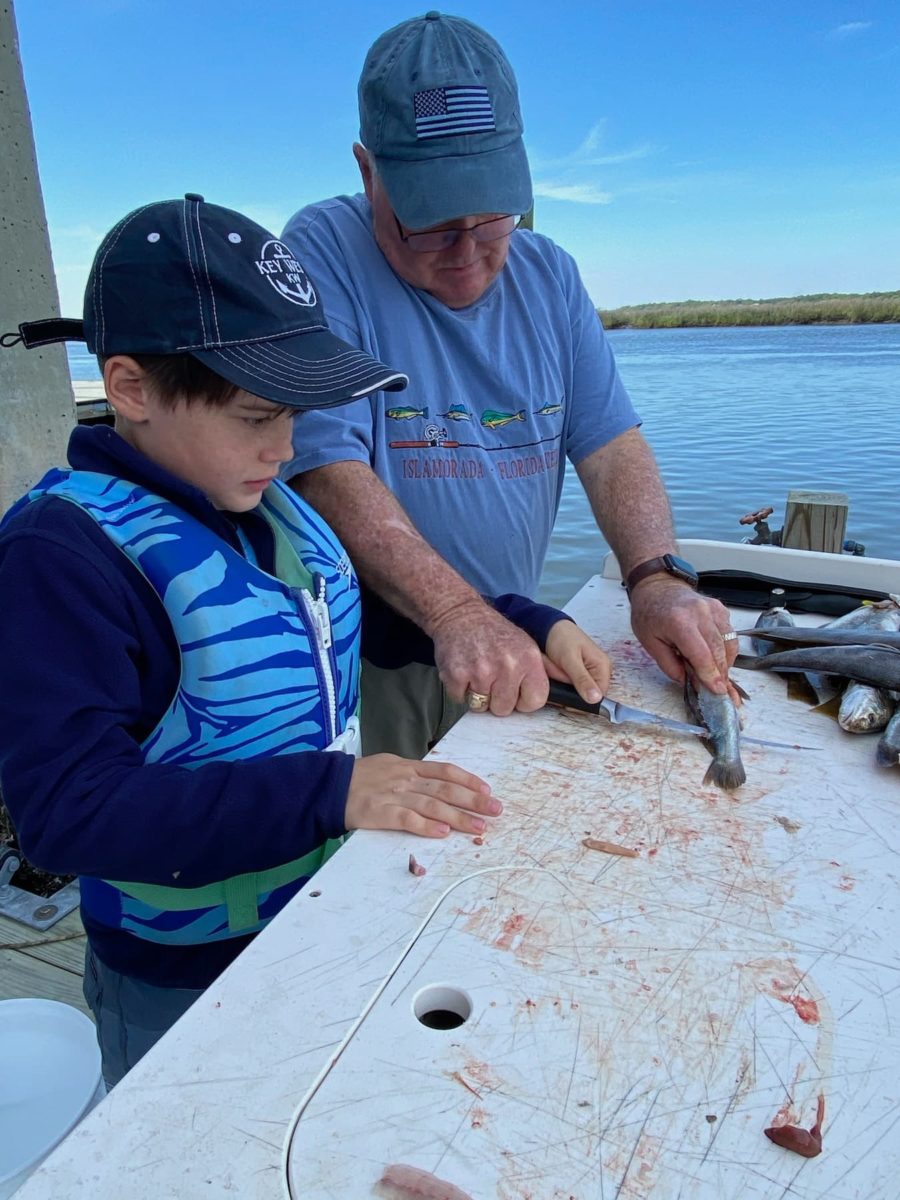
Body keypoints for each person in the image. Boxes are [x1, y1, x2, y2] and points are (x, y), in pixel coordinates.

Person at [0, 195, 609, 1087]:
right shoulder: (61, 559)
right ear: (130, 389)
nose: (286, 448)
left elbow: (350, 616)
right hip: (180, 980)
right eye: (256, 416)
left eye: (295, 414)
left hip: (320, 916)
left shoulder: (264, 505)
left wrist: (520, 620)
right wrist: (334, 792)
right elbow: (67, 815)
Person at [281, 12, 738, 760]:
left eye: (493, 217)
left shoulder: (550, 274)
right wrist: (456, 611)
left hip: (514, 639)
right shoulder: (319, 255)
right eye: (430, 223)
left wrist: (655, 578)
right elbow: (328, 471)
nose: (467, 252)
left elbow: (612, 446)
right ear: (369, 173)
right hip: (374, 659)